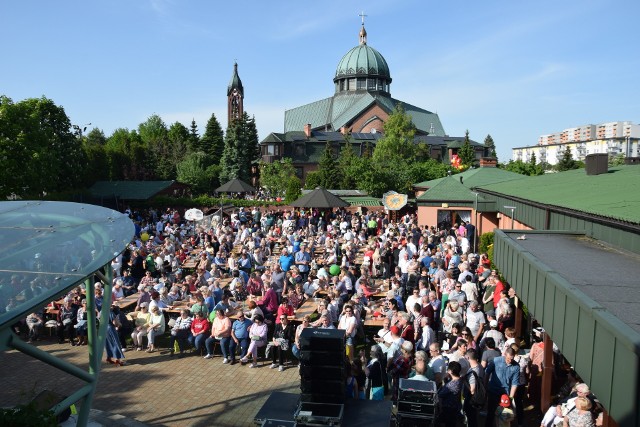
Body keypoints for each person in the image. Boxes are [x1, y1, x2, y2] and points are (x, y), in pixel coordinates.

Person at [484, 347, 520, 427]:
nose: (510, 361)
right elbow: (487, 372)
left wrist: (510, 398)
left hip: (505, 394)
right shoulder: (496, 361)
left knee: (505, 415)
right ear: (504, 355)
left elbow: (514, 383)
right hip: (493, 390)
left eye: (512, 359)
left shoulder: (516, 366)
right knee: (491, 413)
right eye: (508, 359)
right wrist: (485, 386)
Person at [437, 361, 463, 427]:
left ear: (451, 371)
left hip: (449, 410)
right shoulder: (460, 380)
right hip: (455, 408)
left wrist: (443, 381)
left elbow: (440, 394)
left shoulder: (451, 384)